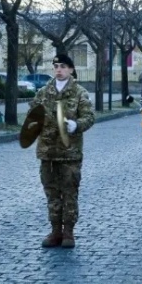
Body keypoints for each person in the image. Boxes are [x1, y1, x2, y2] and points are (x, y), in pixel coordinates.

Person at [29, 53, 95, 248]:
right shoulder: (43, 92)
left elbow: (89, 117)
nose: (59, 69)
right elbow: (33, 116)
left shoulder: (79, 92)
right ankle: (55, 230)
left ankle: (68, 232)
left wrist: (77, 124)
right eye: (56, 66)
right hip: (47, 152)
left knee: (69, 193)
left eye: (63, 66)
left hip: (69, 152)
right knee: (51, 193)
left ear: (71, 69)